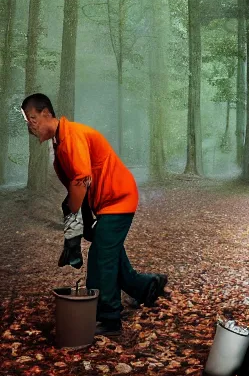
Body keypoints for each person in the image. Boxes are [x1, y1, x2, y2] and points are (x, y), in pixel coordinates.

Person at [21, 93, 168, 336]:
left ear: (47, 113)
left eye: (33, 118)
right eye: (28, 120)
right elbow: (76, 185)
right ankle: (147, 286)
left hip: (119, 199)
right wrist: (79, 220)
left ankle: (109, 317)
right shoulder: (59, 143)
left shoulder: (72, 136)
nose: (30, 125)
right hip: (102, 202)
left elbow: (80, 179)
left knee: (102, 258)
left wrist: (72, 215)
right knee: (108, 249)